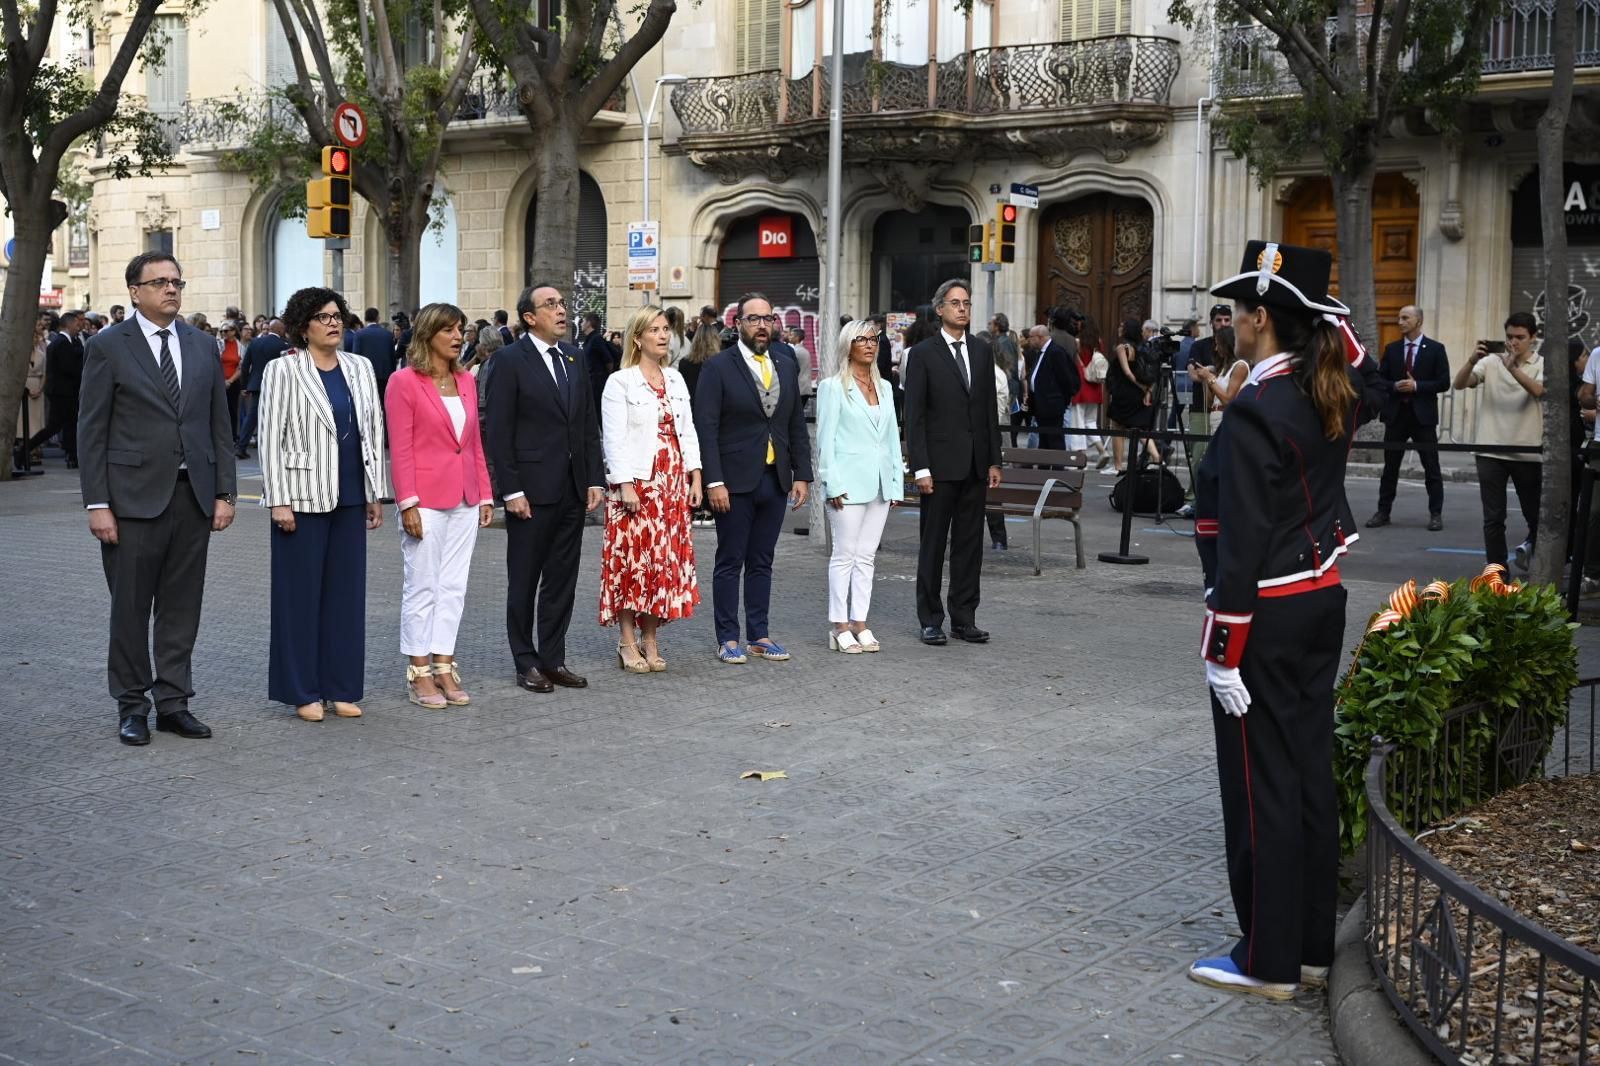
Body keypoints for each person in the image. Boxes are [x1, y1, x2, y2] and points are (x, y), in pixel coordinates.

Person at [1188, 240, 1372, 1001]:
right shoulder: (1324, 386)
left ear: (1262, 320)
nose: (1227, 326)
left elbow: (1243, 535)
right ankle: (1310, 947)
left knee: (1259, 788)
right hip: (1318, 600)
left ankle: (1266, 963)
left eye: (1234, 315)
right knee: (1304, 779)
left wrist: (1224, 646)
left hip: (1263, 610)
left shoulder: (1262, 407)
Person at [78, 252, 238, 746]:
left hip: (192, 497)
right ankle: (132, 706)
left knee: (181, 606)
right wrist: (97, 503)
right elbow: (92, 429)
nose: (171, 289)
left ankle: (173, 703)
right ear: (135, 291)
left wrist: (225, 491)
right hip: (130, 502)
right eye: (160, 282)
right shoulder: (108, 347)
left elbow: (218, 425)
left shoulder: (201, 345)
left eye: (176, 281)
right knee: (130, 608)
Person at [259, 287, 389, 723]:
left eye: (337, 315)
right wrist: (278, 500)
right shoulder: (284, 370)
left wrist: (375, 492)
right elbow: (271, 440)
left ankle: (343, 687)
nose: (333, 322)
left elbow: (373, 432)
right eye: (322, 316)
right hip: (301, 498)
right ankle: (303, 691)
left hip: (352, 496)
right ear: (303, 326)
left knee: (346, 599)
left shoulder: (361, 367)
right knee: (299, 600)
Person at [486, 283, 605, 693]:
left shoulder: (574, 355)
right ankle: (525, 661)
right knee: (524, 579)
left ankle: (553, 659)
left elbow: (587, 423)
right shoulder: (508, 360)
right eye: (550, 305)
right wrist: (511, 490)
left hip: (572, 490)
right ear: (529, 317)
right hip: (531, 492)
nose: (561, 310)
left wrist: (593, 478)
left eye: (562, 303)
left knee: (561, 580)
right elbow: (498, 431)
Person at [692, 292, 812, 664]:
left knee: (763, 560)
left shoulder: (786, 360)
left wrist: (802, 474)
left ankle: (759, 634)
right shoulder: (718, 367)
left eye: (768, 318)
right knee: (730, 560)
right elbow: (705, 428)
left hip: (774, 479)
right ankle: (728, 637)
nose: (762, 325)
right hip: (733, 481)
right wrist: (714, 481)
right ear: (737, 324)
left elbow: (794, 422)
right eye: (754, 319)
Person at [386, 303, 494, 710]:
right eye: (448, 329)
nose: (457, 336)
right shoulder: (404, 382)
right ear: (428, 334)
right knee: (423, 584)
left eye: (461, 329)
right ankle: (418, 669)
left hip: (465, 496)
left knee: (453, 586)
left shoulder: (466, 379)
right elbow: (401, 448)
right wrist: (408, 502)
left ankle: (445, 663)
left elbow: (474, 443)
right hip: (425, 499)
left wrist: (484, 493)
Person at [599, 305, 704, 672]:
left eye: (666, 329)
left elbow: (687, 429)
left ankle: (651, 638)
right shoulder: (620, 382)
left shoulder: (675, 379)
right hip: (638, 483)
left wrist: (695, 475)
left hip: (672, 484)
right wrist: (625, 485)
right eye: (655, 330)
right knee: (632, 563)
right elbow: (612, 439)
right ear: (638, 337)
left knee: (662, 563)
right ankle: (627, 640)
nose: (663, 335)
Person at [904, 280, 1002, 646]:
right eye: (955, 303)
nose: (962, 309)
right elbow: (914, 417)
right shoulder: (923, 354)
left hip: (976, 466)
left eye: (966, 303)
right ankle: (930, 619)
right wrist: (921, 468)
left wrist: (994, 458)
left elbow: (988, 409)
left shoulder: (981, 351)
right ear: (940, 309)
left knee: (969, 545)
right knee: (933, 545)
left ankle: (964, 617)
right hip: (939, 468)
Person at [816, 319, 903, 649]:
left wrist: (896, 483)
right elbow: (826, 440)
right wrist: (832, 484)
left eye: (874, 339)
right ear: (848, 346)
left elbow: (892, 438)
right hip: (847, 485)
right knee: (844, 555)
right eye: (861, 339)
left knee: (866, 556)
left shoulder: (885, 388)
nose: (869, 344)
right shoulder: (833, 387)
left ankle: (860, 621)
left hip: (880, 483)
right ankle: (839, 626)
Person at [1454, 311, 1544, 571]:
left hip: (1527, 451)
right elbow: (1460, 384)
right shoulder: (1492, 362)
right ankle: (1497, 571)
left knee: (1534, 514)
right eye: (1509, 337)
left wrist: (1513, 368)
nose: (1513, 343)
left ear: (1533, 338)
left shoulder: (1541, 364)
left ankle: (1534, 557)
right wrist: (1472, 360)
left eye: (1520, 337)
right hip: (1490, 450)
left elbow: (1538, 391)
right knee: (1493, 518)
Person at [1368, 305, 1449, 532]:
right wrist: (1394, 386)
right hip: (1396, 417)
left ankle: (1435, 514)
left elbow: (1444, 382)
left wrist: (1417, 385)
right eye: (1399, 317)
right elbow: (1380, 380)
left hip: (1423, 418)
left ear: (1418, 321)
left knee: (1431, 467)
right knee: (1390, 468)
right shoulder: (1392, 349)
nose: (1400, 321)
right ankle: (1383, 511)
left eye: (1405, 318)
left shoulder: (1435, 349)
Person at [25, 309, 85, 467]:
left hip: (67, 392)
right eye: (77, 324)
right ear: (69, 325)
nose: (79, 327)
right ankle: (25, 450)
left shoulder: (69, 342)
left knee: (70, 425)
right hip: (61, 392)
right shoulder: (61, 343)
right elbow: (69, 368)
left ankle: (73, 457)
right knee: (54, 427)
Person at [1106, 317, 1160, 470]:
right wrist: (1147, 390)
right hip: (1139, 393)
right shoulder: (1142, 347)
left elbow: (1128, 373)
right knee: (1139, 428)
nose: (1119, 328)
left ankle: (1117, 465)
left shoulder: (1122, 348)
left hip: (1124, 392)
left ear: (1126, 330)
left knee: (1117, 428)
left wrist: (1141, 387)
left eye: (1122, 325)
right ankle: (1156, 457)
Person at [1025, 323, 1081, 451]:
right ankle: (1043, 468)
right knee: (1044, 441)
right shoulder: (1041, 352)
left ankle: (1057, 469)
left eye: (1031, 337)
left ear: (1040, 337)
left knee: (1055, 440)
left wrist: (1061, 401)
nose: (1029, 341)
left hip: (1052, 405)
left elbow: (1067, 379)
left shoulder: (1056, 352)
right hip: (1041, 405)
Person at [236, 318, 287, 457]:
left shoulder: (255, 343)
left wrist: (244, 386)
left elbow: (245, 366)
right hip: (276, 385)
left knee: (252, 416)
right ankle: (274, 448)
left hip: (256, 385)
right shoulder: (283, 345)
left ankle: (241, 447)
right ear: (280, 330)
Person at [1067, 317, 1110, 469]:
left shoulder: (1077, 342)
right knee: (1090, 422)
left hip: (1081, 385)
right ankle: (1102, 450)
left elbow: (1077, 362)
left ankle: (1081, 459)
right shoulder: (1098, 342)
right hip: (1094, 386)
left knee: (1077, 424)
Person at [1192, 326, 1247, 432]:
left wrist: (1210, 378)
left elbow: (1228, 400)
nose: (1216, 349)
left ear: (1227, 344)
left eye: (1218, 344)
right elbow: (1209, 403)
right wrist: (1206, 379)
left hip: (1228, 419)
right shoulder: (1223, 368)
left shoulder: (1240, 366)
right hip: (1216, 418)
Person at [14, 313, 48, 464]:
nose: (34, 339)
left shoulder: (42, 353)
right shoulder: (19, 353)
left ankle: (35, 448)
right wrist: (26, 389)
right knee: (23, 421)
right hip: (24, 389)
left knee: (36, 421)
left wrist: (40, 389)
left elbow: (45, 373)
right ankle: (24, 449)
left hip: (37, 389)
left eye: (36, 336)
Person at [350, 306, 400, 399]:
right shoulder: (387, 334)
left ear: (365, 318)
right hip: (384, 375)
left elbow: (355, 356)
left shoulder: (359, 334)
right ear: (378, 318)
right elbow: (392, 357)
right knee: (383, 402)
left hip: (365, 376)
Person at [218, 320, 245, 433]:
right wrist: (222, 380)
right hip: (219, 382)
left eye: (226, 331)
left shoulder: (240, 347)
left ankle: (233, 436)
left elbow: (241, 367)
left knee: (233, 410)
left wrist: (230, 381)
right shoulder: (218, 344)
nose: (223, 333)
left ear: (233, 332)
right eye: (221, 331)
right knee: (219, 410)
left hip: (233, 383)